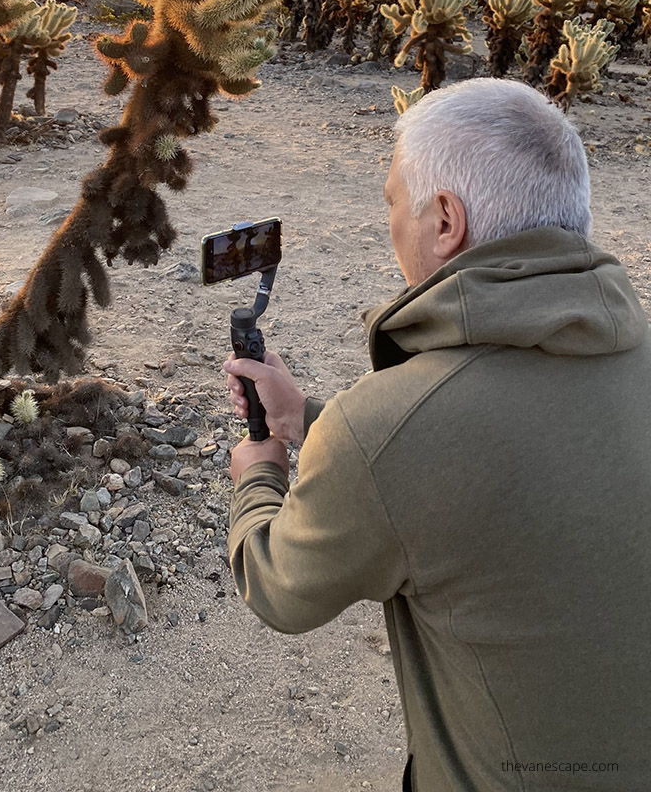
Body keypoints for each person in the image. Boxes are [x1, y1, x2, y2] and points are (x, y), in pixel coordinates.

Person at [223, 77, 651, 792]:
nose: (390, 220)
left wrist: (260, 472)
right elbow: (504, 470)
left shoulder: (387, 426)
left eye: (394, 201)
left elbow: (281, 588)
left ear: (445, 221)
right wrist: (310, 421)